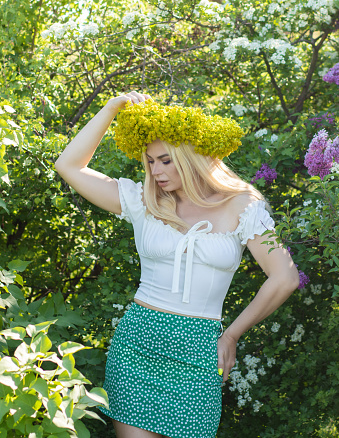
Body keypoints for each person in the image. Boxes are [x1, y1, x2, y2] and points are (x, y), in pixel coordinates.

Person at [55, 91, 299, 438]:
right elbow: (68, 166)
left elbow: (285, 277)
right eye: (150, 161)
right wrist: (111, 108)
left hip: (199, 351)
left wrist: (231, 335)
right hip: (137, 348)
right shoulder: (142, 200)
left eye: (166, 160)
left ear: (192, 157)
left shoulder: (242, 204)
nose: (156, 171)